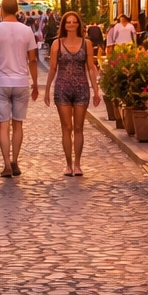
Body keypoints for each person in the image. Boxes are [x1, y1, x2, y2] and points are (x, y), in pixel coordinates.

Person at [0, 0, 39, 178]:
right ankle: (15, 160)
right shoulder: (26, 31)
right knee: (18, 124)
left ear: (1, 10)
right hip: (21, 81)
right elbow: (32, 59)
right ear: (16, 9)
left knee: (2, 126)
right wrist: (35, 83)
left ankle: (6, 164)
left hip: (1, 81)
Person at [43, 11, 100, 177]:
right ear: (64, 25)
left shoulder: (86, 43)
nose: (71, 24)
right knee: (66, 127)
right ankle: (68, 164)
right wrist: (47, 90)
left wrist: (96, 90)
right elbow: (53, 68)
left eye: (74, 22)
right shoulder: (57, 44)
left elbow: (90, 67)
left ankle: (78, 164)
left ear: (79, 24)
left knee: (78, 127)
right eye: (68, 22)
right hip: (62, 88)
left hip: (81, 88)